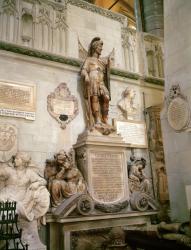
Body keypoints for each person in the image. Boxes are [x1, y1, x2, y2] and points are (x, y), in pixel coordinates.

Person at [0, 152, 50, 221]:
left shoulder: (29, 172)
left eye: (17, 159)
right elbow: (2, 172)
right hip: (7, 192)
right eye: (15, 159)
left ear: (23, 161)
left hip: (21, 195)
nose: (15, 160)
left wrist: (37, 183)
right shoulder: (9, 170)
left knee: (15, 206)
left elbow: (44, 181)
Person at [81, 37, 111, 128]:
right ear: (95, 48)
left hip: (101, 82)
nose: (101, 49)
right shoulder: (89, 60)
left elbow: (106, 74)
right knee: (95, 99)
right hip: (93, 79)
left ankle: (105, 119)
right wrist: (86, 76)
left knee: (106, 97)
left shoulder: (101, 62)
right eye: (100, 47)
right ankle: (97, 120)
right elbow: (83, 70)